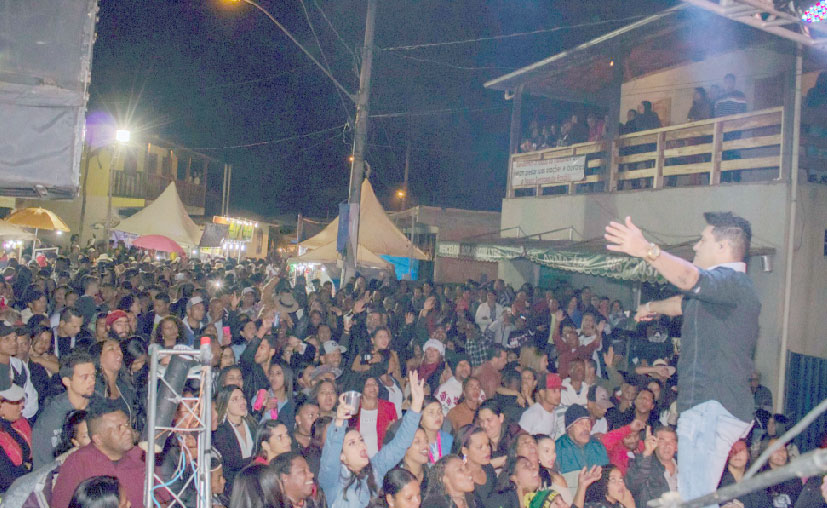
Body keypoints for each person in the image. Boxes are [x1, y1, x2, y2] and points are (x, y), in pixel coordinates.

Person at [605, 211, 758, 503]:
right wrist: (651, 307)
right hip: (714, 406)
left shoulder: (730, 281)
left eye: (702, 240)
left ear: (723, 246)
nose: (696, 247)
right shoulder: (725, 292)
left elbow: (688, 278)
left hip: (710, 404)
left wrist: (645, 250)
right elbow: (682, 303)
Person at [319, 370, 425, 508]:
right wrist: (339, 421)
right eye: (352, 443)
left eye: (361, 440)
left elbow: (400, 444)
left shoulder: (375, 470)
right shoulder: (332, 480)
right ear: (342, 456)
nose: (361, 445)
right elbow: (329, 458)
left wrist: (415, 408)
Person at [50, 398, 153, 508]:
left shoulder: (143, 457)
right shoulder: (78, 462)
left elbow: (161, 499)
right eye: (119, 428)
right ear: (98, 439)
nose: (128, 431)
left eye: (127, 424)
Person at [32, 350, 97, 467]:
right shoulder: (50, 420)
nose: (91, 381)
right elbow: (44, 466)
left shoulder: (99, 405)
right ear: (67, 381)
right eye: (84, 377)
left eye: (93, 375)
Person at [213, 384, 256, 497]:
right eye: (235, 399)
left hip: (256, 483)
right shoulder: (220, 431)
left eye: (242, 397)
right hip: (235, 489)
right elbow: (231, 463)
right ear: (225, 405)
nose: (242, 402)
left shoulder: (253, 425)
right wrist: (257, 461)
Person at [555, 405, 609, 487]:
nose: (586, 428)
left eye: (588, 423)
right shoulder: (558, 449)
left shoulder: (598, 447)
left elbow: (606, 477)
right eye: (580, 423)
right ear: (569, 428)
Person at [0, 321, 38, 420]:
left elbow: (32, 399)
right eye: (7, 339)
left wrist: (19, 415)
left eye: (14, 338)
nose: (13, 343)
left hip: (20, 419)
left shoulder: (20, 365)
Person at [717, 440, 772, 508]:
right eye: (733, 450)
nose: (737, 453)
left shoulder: (757, 482)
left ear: (748, 454)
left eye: (741, 450)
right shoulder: (716, 483)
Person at [0, 384, 33, 493]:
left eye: (21, 400)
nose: (22, 405)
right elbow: (8, 479)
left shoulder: (20, 423)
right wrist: (27, 467)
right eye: (16, 402)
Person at [355, 376, 399, 458]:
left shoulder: (389, 407)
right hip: (358, 458)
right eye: (368, 384)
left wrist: (389, 430)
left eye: (375, 384)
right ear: (362, 388)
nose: (372, 387)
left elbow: (396, 435)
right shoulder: (354, 408)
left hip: (382, 457)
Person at [456, 425, 498, 499]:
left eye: (487, 444)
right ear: (465, 451)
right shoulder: (462, 479)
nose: (487, 450)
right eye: (479, 447)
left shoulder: (488, 468)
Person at [520, 373, 564, 439]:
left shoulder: (554, 413)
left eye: (559, 391)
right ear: (542, 393)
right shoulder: (532, 414)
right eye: (554, 391)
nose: (559, 395)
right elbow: (520, 439)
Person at [420, 396, 453, 464]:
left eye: (440, 411)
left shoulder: (449, 439)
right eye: (431, 412)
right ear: (420, 419)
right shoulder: (414, 443)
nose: (438, 415)